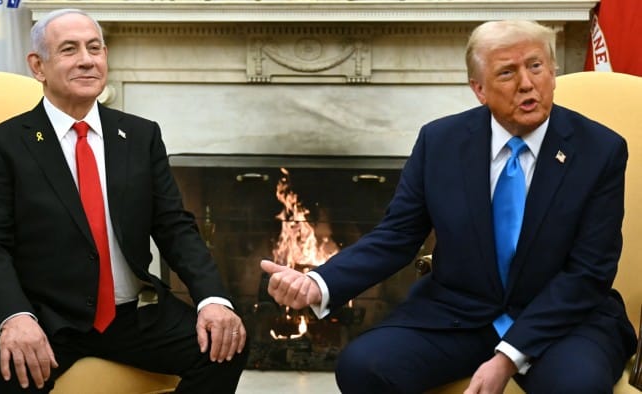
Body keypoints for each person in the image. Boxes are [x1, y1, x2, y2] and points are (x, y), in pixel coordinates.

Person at [262, 20, 638, 393]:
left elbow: (588, 273)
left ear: (553, 72)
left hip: (565, 321)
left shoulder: (599, 150)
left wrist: (506, 357)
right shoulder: (440, 142)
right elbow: (397, 235)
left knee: (578, 387)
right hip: (461, 315)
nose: (527, 83)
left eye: (536, 66)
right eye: (507, 72)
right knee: (363, 366)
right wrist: (319, 283)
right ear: (479, 89)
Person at [0, 8, 247, 394]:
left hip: (131, 315)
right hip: (45, 314)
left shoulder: (140, 136)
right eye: (69, 49)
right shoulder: (3, 145)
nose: (86, 59)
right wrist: (15, 316)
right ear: (38, 65)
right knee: (11, 375)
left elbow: (174, 226)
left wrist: (212, 299)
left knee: (226, 348)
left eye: (94, 48)